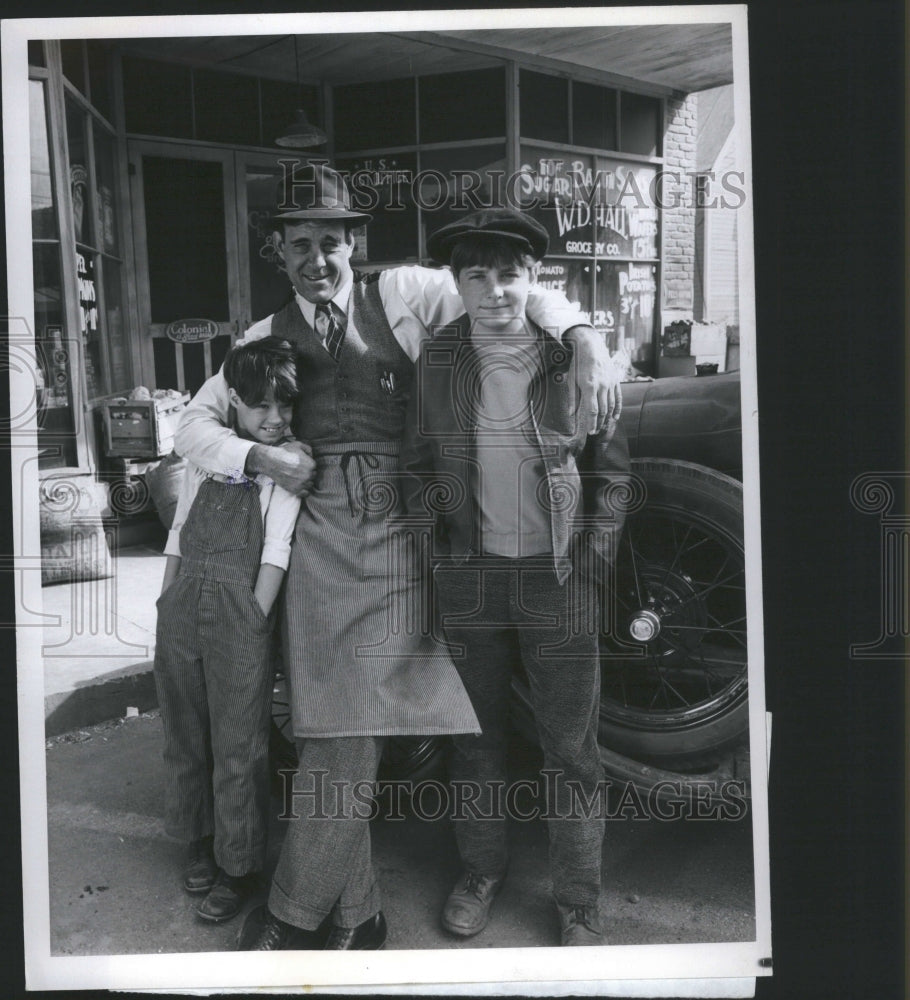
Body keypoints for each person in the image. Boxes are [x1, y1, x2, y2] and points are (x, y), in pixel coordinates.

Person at [174, 160, 623, 951]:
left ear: (356, 242)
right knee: (330, 718)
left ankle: (301, 912)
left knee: (365, 718)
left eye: (333, 240)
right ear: (277, 253)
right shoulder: (256, 339)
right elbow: (194, 429)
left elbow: (513, 290)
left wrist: (584, 337)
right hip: (313, 527)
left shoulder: (405, 295)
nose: (318, 259)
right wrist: (263, 460)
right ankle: (357, 912)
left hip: (401, 529)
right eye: (299, 243)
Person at [399, 208, 631, 946]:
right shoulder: (438, 357)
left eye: (511, 273)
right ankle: (482, 871)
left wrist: (589, 568)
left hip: (557, 579)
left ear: (534, 279)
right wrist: (435, 551)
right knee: (476, 742)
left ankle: (578, 901)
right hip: (471, 578)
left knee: (571, 750)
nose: (496, 290)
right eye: (478, 275)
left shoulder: (572, 357)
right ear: (457, 283)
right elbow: (417, 465)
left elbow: (613, 475)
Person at [153, 337, 302, 926]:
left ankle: (238, 867)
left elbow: (277, 550)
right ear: (233, 401)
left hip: (241, 615)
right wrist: (168, 601)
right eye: (261, 406)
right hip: (184, 604)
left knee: (240, 747)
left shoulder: (285, 469)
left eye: (285, 407)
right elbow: (180, 528)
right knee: (185, 730)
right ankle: (197, 840)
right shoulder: (209, 455)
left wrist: (256, 616)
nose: (275, 419)